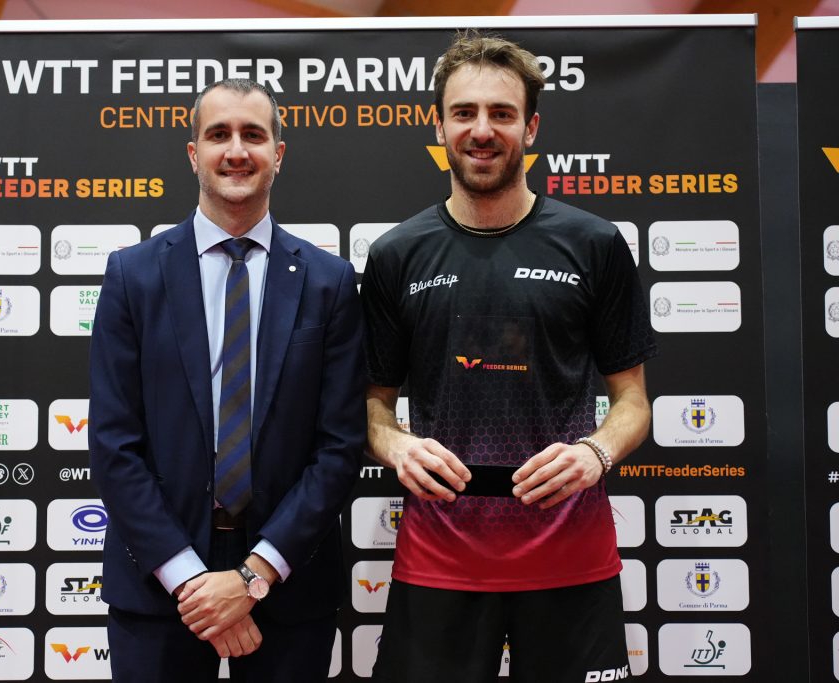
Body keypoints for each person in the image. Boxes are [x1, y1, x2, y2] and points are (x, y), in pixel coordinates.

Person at [361, 31, 657, 683]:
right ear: (438, 126)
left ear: (531, 127)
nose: (482, 130)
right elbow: (373, 406)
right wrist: (396, 445)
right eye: (464, 112)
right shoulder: (395, 254)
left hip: (571, 557)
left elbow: (633, 402)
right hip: (439, 560)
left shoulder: (594, 244)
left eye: (501, 113)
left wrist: (596, 453)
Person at [89, 78, 365, 682]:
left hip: (288, 578)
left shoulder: (329, 282)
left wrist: (252, 577)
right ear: (194, 153)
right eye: (218, 134)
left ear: (278, 154)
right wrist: (192, 582)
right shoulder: (133, 276)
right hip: (160, 582)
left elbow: (340, 447)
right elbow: (113, 444)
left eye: (253, 135)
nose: (236, 150)